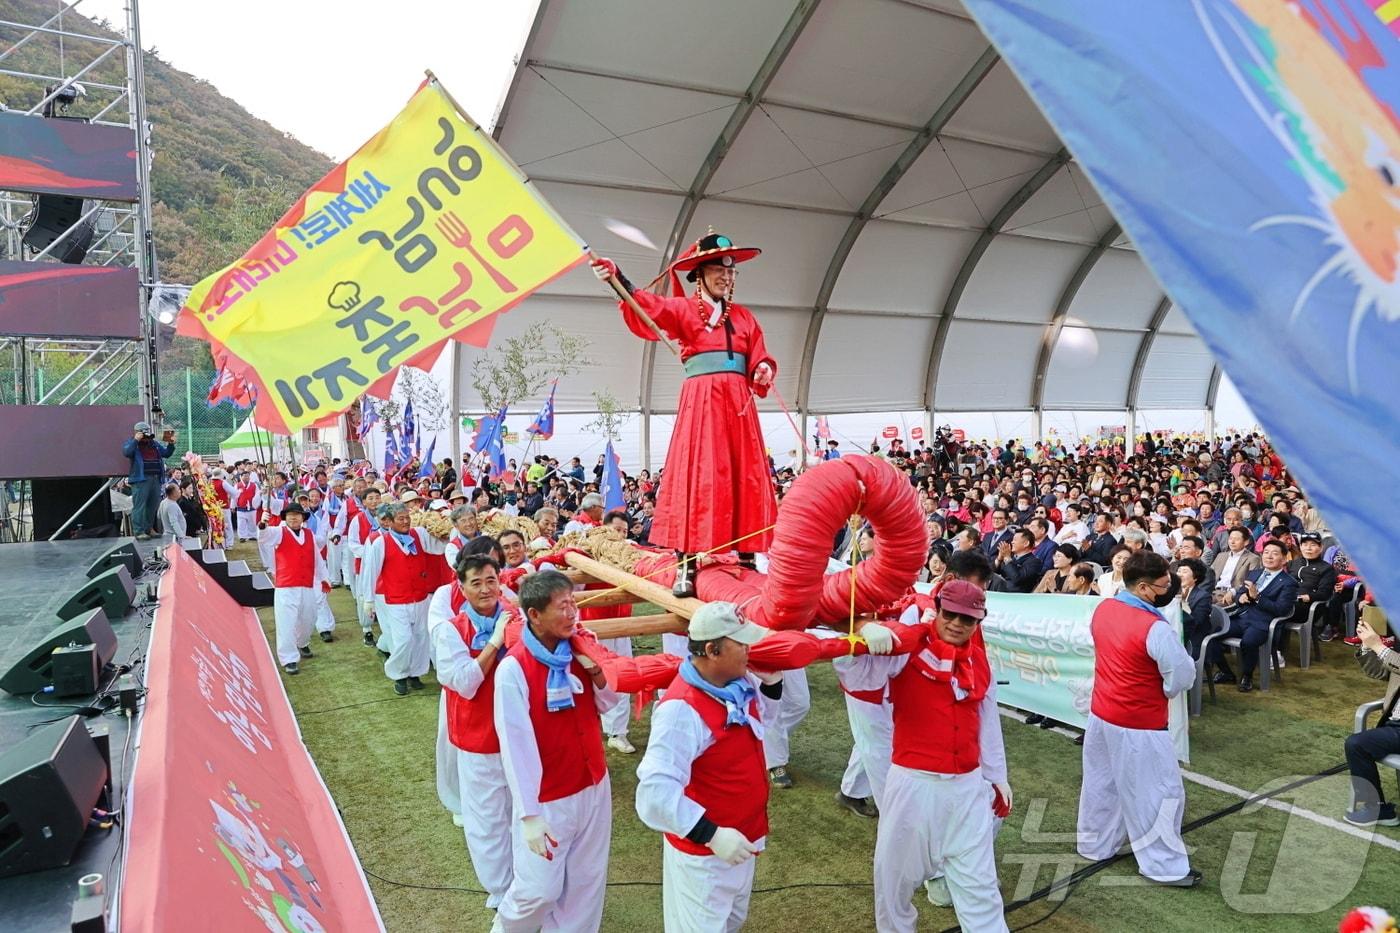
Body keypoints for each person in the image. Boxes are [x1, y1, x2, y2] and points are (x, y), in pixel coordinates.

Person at [591, 233, 777, 597]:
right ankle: (686, 563)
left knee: (746, 473)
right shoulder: (685, 310)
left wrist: (763, 369)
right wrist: (619, 280)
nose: (727, 277)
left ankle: (747, 555)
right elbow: (648, 305)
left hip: (739, 402)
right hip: (703, 400)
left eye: (732, 271)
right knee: (697, 474)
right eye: (720, 270)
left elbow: (760, 354)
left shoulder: (744, 317)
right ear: (700, 273)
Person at [839, 580, 1010, 932]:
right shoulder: (906, 648)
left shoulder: (979, 659)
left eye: (969, 618)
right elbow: (855, 674)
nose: (958, 624)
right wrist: (862, 634)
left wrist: (996, 776)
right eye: (951, 614)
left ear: (979, 621)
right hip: (913, 784)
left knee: (980, 883)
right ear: (939, 609)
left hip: (967, 786)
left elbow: (988, 721)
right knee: (894, 881)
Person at [635, 601, 780, 932]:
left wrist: (772, 687)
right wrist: (712, 835)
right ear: (713, 650)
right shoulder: (680, 710)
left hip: (741, 841)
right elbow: (655, 793)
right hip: (705, 857)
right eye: (740, 643)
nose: (749, 649)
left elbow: (756, 732)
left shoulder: (736, 685)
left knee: (730, 923)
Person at [493, 570, 619, 932]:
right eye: (562, 607)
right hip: (548, 797)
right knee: (539, 890)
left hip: (593, 783)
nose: (572, 614)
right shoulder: (513, 670)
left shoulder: (581, 648)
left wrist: (595, 667)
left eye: (573, 604)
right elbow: (514, 745)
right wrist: (529, 813)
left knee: (586, 883)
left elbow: (610, 703)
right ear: (534, 615)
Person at [1077, 551, 1199, 887]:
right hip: (1140, 722)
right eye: (1163, 583)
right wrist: (1167, 689)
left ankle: (1095, 844)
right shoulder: (1154, 626)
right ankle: (1164, 865)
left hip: (1103, 714)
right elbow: (1181, 674)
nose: (1168, 588)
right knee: (1157, 794)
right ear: (1145, 588)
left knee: (1102, 785)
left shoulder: (1104, 608)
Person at [430, 552, 521, 907]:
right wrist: (496, 642)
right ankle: (500, 890)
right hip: (477, 738)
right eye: (476, 582)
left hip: (518, 735)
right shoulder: (452, 630)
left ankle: (525, 884)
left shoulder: (516, 619)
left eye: (491, 580)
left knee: (522, 812)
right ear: (462, 587)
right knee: (487, 818)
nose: (485, 589)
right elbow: (465, 683)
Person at [361, 502, 447, 696]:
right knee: (403, 640)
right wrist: (369, 599)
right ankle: (399, 675)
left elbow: (438, 547)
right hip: (396, 600)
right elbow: (370, 571)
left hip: (420, 597)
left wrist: (448, 531)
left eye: (407, 517)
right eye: (400, 518)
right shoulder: (380, 542)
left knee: (420, 637)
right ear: (390, 522)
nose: (406, 521)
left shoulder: (419, 534)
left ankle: (415, 673)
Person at [1208, 539, 1299, 691]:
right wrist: (1241, 598)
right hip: (1242, 616)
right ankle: (1226, 672)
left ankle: (1247, 676)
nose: (1269, 556)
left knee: (1248, 642)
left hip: (1263, 622)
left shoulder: (1288, 582)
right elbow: (1241, 593)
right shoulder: (1255, 573)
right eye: (1266, 553)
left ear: (1284, 559)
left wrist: (1258, 598)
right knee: (1211, 634)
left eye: (1274, 554)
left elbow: (1282, 609)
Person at [257, 502, 326, 675]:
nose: (293, 518)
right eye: (290, 515)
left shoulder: (309, 535)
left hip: (307, 585)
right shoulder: (279, 532)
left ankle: (302, 643)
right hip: (286, 586)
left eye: (297, 514)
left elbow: (317, 557)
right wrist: (262, 524)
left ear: (303, 518)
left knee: (309, 618)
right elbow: (264, 536)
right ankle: (289, 659)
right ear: (285, 518)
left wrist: (324, 578)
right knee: (286, 622)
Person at [1345, 617, 1400, 827]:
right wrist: (1367, 647)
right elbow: (1380, 672)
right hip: (1394, 725)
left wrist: (1378, 645)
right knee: (1358, 744)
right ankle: (1377, 808)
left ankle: (1376, 809)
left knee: (1357, 744)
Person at [122, 421, 175, 539]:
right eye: (143, 432)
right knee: (140, 506)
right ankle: (139, 531)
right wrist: (136, 440)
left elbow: (166, 453)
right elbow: (126, 452)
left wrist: (171, 444)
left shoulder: (154, 444)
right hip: (141, 479)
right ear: (137, 432)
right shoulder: (132, 443)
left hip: (155, 478)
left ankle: (149, 528)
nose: (146, 435)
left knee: (152, 505)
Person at [1175, 557, 1214, 658]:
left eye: (1184, 571)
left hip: (1193, 638)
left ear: (1195, 577)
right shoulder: (1170, 592)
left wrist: (1182, 602)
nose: (1179, 574)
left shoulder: (1203, 596)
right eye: (1178, 571)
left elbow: (1195, 622)